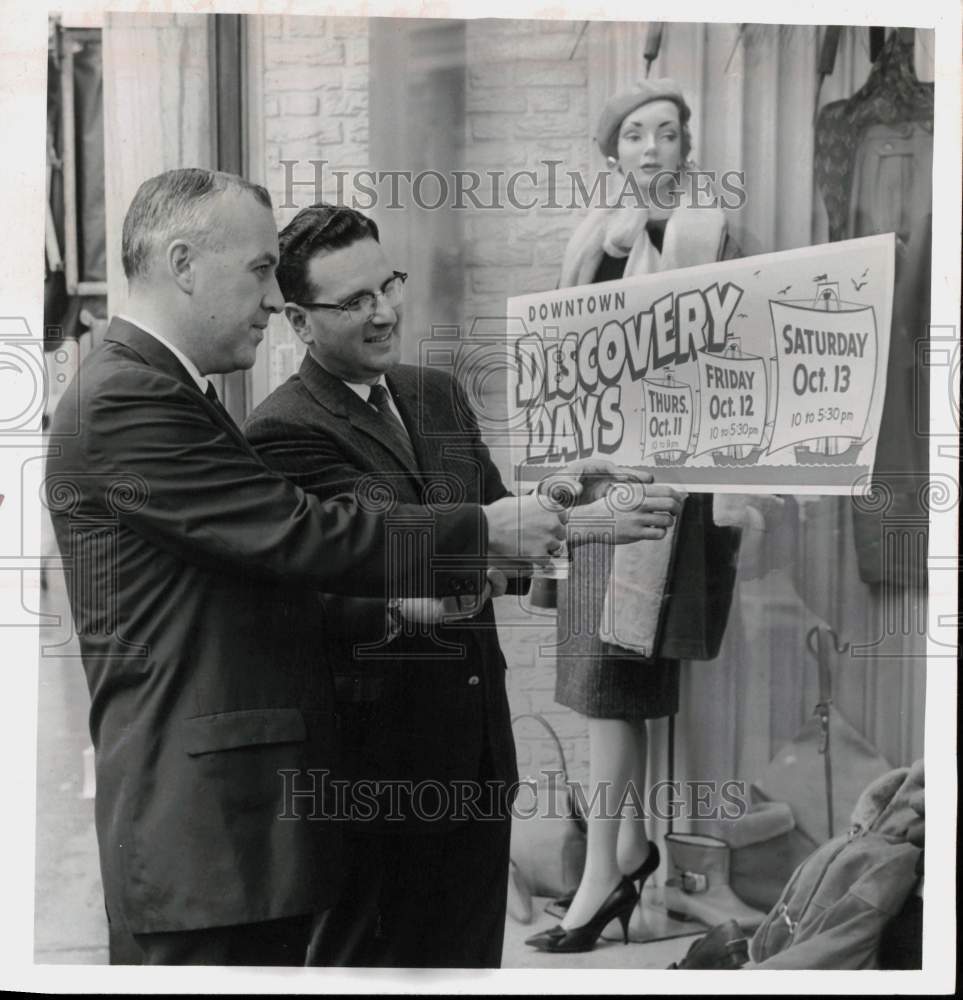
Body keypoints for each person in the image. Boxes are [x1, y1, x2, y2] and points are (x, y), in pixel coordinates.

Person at [44, 168, 570, 966]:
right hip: (206, 832)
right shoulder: (128, 399)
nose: (266, 298)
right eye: (259, 269)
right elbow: (300, 532)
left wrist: (400, 605)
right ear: (184, 264)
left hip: (236, 828)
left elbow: (259, 582)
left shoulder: (167, 392)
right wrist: (482, 532)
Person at [242, 203, 682, 967]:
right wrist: (532, 529)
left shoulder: (435, 395)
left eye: (390, 284)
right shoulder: (284, 431)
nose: (385, 312)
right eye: (355, 302)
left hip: (477, 757)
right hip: (374, 781)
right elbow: (355, 583)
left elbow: (498, 532)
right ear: (296, 320)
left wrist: (569, 505)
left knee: (472, 967)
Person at [526, 78, 743, 954]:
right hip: (592, 475)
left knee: (614, 681)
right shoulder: (591, 241)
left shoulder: (714, 239)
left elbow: (738, 354)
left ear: (686, 150)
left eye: (666, 134)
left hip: (660, 480)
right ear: (613, 153)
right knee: (600, 683)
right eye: (634, 136)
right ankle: (624, 849)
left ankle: (604, 876)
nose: (650, 149)